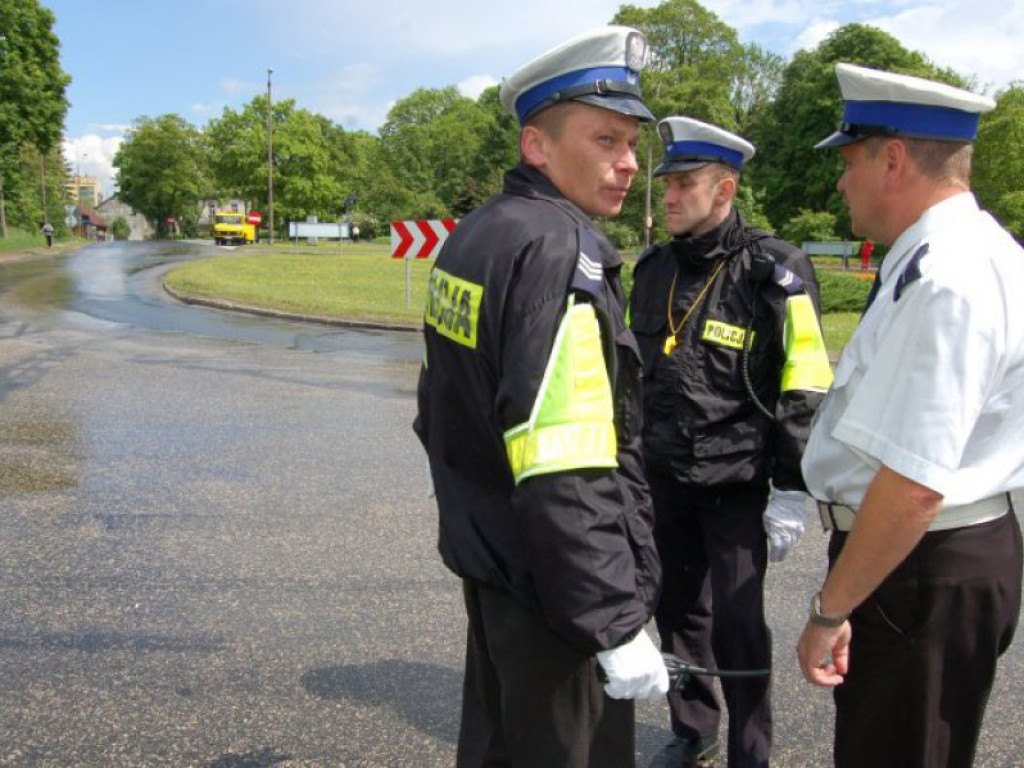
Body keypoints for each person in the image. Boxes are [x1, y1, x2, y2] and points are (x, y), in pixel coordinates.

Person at [413, 26, 668, 768]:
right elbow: (568, 462)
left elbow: (441, 411)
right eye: (605, 140)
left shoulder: (477, 235)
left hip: (498, 565)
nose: (627, 164)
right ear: (537, 145)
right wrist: (614, 623)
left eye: (631, 145)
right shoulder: (562, 250)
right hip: (559, 593)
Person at [797, 63, 1024, 768]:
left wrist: (829, 611)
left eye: (849, 160)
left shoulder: (949, 276)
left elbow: (913, 483)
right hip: (922, 560)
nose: (840, 182)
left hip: (919, 565)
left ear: (892, 158)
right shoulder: (944, 254)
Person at [630, 117, 833, 768]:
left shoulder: (775, 269)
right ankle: (695, 730)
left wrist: (791, 489)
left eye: (684, 184)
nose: (668, 195)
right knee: (678, 612)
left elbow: (806, 378)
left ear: (725, 188)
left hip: (739, 485)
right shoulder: (654, 267)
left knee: (739, 626)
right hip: (663, 477)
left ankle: (751, 751)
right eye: (667, 183)